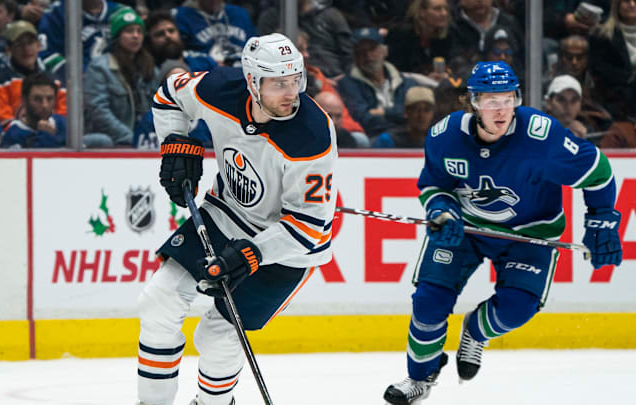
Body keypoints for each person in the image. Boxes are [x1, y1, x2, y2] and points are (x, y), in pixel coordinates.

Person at [383, 61, 623, 404]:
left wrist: (601, 219)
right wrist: (441, 211)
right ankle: (420, 377)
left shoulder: (542, 137)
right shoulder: (445, 135)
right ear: (473, 103)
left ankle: (475, 331)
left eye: (508, 99)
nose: (501, 109)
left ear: (518, 98)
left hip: (530, 234)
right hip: (465, 229)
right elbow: (434, 185)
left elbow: (598, 171)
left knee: (517, 309)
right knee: (428, 301)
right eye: (491, 101)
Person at [137, 33, 337, 405]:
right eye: (279, 83)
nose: (291, 93)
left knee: (216, 336)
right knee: (158, 301)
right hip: (225, 213)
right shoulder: (218, 89)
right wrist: (174, 144)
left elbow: (308, 228)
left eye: (296, 80)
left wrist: (251, 253)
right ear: (251, 81)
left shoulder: (310, 135)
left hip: (284, 250)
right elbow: (168, 94)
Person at [84, 6, 159, 147]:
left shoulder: (151, 68)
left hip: (145, 140)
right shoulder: (100, 67)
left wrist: (148, 136)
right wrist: (131, 138)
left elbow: (158, 107)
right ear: (117, 37)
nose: (135, 36)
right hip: (112, 141)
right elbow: (99, 111)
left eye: (139, 31)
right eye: (129, 31)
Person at [0, 20, 67, 130]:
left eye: (30, 42)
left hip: (54, 140)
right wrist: (31, 128)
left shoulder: (55, 81)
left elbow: (67, 118)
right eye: (19, 44)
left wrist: (51, 126)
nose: (26, 49)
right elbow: (2, 124)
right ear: (9, 49)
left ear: (39, 45)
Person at [337, 32, 418, 137]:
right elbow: (362, 117)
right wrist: (398, 117)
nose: (368, 56)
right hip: (373, 138)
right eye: (361, 51)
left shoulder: (406, 82)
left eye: (372, 49)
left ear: (385, 51)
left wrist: (382, 112)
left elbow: (416, 113)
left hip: (409, 137)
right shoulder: (347, 84)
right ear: (355, 57)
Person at [38, 0, 122, 78]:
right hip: (73, 84)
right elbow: (47, 55)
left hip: (116, 82)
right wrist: (78, 76)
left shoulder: (119, 11)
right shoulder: (55, 14)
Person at [173, 0, 257, 68]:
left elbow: (255, 45)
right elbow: (181, 54)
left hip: (244, 69)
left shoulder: (240, 13)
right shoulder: (181, 16)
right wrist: (209, 63)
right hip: (210, 72)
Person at [0, 71, 65, 148]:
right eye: (37, 99)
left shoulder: (62, 123)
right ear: (24, 100)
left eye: (50, 99)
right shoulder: (13, 135)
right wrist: (45, 136)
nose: (45, 105)